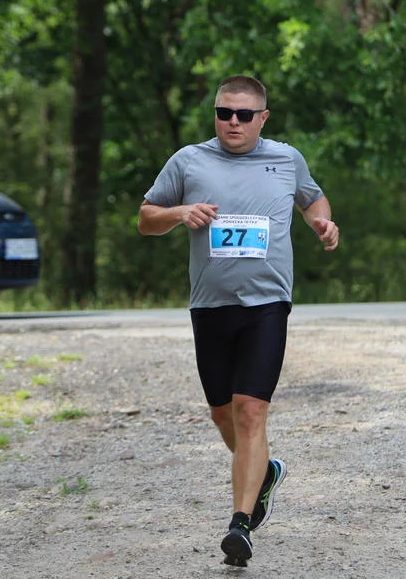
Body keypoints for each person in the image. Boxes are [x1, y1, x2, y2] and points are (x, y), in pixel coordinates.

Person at [137, 74, 339, 566]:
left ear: (262, 118)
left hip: (268, 303)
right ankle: (264, 472)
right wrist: (179, 213)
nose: (232, 122)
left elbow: (313, 197)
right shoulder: (188, 161)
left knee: (251, 409)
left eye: (244, 114)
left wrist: (321, 221)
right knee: (223, 413)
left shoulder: (286, 158)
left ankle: (240, 525)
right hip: (210, 305)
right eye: (224, 112)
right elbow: (145, 217)